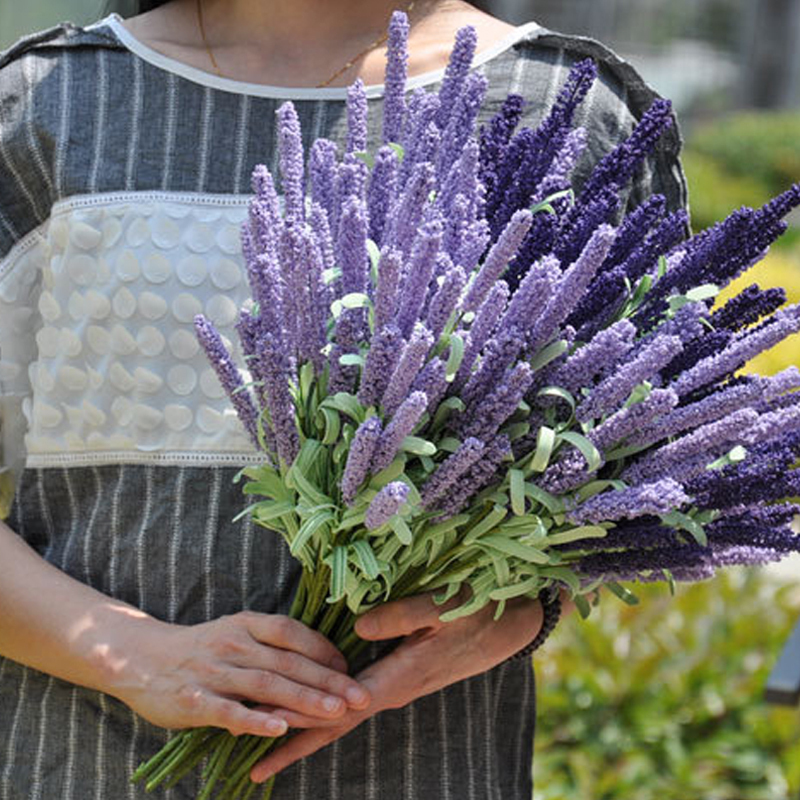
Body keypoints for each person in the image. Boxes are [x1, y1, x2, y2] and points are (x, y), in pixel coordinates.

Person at [0, 1, 687, 796]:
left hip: (420, 762)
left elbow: (635, 474)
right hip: (80, 761)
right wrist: (131, 656)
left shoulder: (568, 109)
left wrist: (517, 609)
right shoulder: (45, 104)